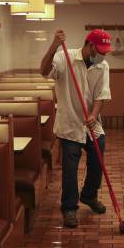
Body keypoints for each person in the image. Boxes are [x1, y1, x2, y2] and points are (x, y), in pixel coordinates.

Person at [40, 28, 112, 228]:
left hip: (92, 124)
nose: (104, 55)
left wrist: (93, 115)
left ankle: (89, 195)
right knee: (70, 168)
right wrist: (54, 44)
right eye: (101, 51)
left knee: (98, 157)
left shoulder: (102, 66)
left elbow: (101, 96)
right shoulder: (65, 57)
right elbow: (43, 71)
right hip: (69, 123)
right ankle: (69, 208)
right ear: (90, 46)